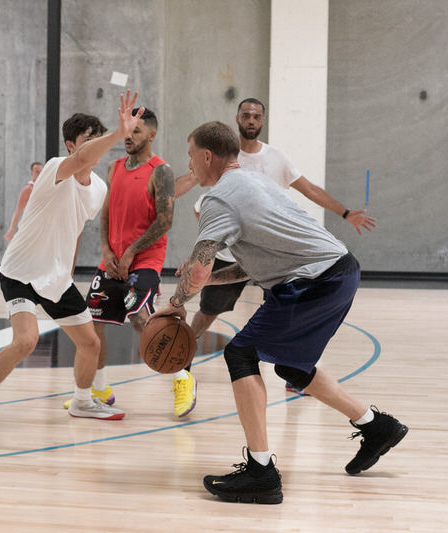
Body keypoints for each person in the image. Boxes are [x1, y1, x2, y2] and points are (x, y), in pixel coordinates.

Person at [150, 121, 407, 504]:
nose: (190, 163)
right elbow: (250, 269)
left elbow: (200, 265)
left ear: (207, 156)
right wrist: (202, 280)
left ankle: (261, 472)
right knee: (292, 367)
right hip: (336, 272)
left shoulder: (219, 199)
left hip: (314, 282)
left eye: (190, 155)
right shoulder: (255, 183)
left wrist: (173, 306)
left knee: (241, 353)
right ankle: (377, 426)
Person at [0, 91, 143, 449]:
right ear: (71, 145)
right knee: (26, 340)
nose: (96, 148)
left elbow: (75, 226)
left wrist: (65, 272)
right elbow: (86, 157)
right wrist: (118, 134)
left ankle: (83, 400)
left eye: (101, 138)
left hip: (54, 278)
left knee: (89, 343)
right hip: (20, 271)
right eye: (91, 140)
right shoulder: (56, 167)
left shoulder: (98, 187)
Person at [176, 97, 376, 395]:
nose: (251, 120)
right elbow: (194, 204)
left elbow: (309, 189)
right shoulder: (221, 166)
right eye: (246, 115)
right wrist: (208, 250)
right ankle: (183, 367)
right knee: (208, 314)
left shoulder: (271, 161)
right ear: (237, 119)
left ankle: (294, 382)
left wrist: (346, 213)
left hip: (283, 260)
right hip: (241, 254)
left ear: (263, 120)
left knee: (246, 348)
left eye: (256, 115)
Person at [79, 107, 196, 419]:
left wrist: (131, 251)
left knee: (142, 321)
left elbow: (165, 220)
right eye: (127, 130)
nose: (128, 136)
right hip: (112, 261)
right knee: (92, 325)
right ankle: (100, 389)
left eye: (137, 131)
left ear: (152, 135)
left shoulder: (161, 171)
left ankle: (181, 378)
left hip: (145, 260)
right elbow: (105, 214)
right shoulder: (114, 167)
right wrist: (106, 249)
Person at [4, 161, 44, 241]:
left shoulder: (44, 188)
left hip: (42, 227)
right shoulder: (28, 189)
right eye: (36, 171)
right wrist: (12, 229)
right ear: (32, 173)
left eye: (41, 172)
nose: (39, 174)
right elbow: (18, 210)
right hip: (29, 227)